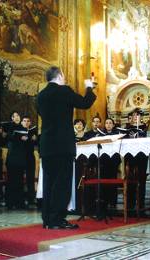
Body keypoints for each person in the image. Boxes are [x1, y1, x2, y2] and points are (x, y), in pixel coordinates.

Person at [37, 66, 96, 229]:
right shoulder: (64, 91)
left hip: (47, 145)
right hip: (63, 145)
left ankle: (47, 219)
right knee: (62, 183)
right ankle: (57, 219)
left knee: (48, 182)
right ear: (60, 76)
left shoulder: (40, 96)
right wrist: (89, 87)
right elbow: (85, 103)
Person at [20, 115, 37, 207]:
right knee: (20, 178)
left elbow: (36, 143)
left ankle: (31, 199)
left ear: (30, 123)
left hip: (30, 157)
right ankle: (21, 199)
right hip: (20, 157)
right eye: (24, 121)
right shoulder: (18, 132)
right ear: (21, 122)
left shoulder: (33, 132)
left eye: (28, 121)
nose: (26, 122)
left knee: (30, 178)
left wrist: (35, 139)